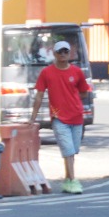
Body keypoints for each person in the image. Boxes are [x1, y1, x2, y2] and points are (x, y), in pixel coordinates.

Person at [29, 39, 93, 194]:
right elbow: (39, 95)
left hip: (77, 116)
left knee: (72, 151)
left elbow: (85, 91)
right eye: (60, 52)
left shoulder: (76, 72)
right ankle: (73, 181)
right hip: (58, 117)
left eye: (66, 51)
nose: (63, 54)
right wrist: (33, 117)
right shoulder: (47, 72)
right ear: (55, 54)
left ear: (69, 53)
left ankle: (67, 180)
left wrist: (72, 96)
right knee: (68, 150)